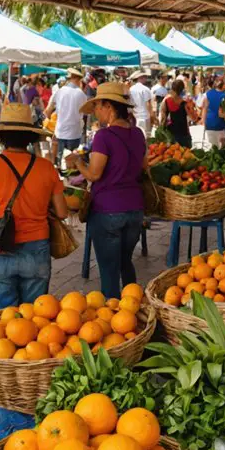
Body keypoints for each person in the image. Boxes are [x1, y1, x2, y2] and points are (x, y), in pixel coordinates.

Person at [0, 104, 68, 309]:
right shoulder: (46, 167)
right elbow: (62, 212)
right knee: (34, 319)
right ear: (30, 137)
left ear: (1, 135)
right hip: (36, 250)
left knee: (1, 324)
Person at [71, 83, 145, 298]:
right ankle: (135, 305)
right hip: (134, 209)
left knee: (109, 270)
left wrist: (78, 163)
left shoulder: (104, 136)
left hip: (107, 210)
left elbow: (94, 174)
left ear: (109, 107)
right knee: (125, 262)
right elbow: (143, 167)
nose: (95, 112)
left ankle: (114, 315)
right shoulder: (138, 133)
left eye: (97, 106)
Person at [46, 68, 88, 158]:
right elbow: (85, 112)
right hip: (75, 132)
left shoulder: (59, 92)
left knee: (60, 159)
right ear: (77, 79)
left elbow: (48, 111)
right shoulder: (82, 94)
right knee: (72, 162)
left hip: (60, 131)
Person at [160, 79, 193, 148]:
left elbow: (163, 118)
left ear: (172, 88)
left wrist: (162, 131)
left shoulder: (166, 101)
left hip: (170, 134)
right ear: (182, 89)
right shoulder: (185, 103)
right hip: (183, 133)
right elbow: (193, 118)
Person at [203, 78, 225, 148]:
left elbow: (204, 108)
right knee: (223, 150)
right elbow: (223, 113)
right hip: (220, 125)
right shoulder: (224, 96)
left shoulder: (208, 93)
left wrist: (203, 122)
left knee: (213, 149)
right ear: (222, 85)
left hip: (209, 124)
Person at [128, 71, 154, 136]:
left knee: (136, 136)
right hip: (145, 116)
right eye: (145, 77)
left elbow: (130, 105)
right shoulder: (145, 89)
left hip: (135, 117)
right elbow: (148, 104)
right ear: (140, 78)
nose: (146, 78)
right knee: (146, 136)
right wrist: (152, 116)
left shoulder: (131, 89)